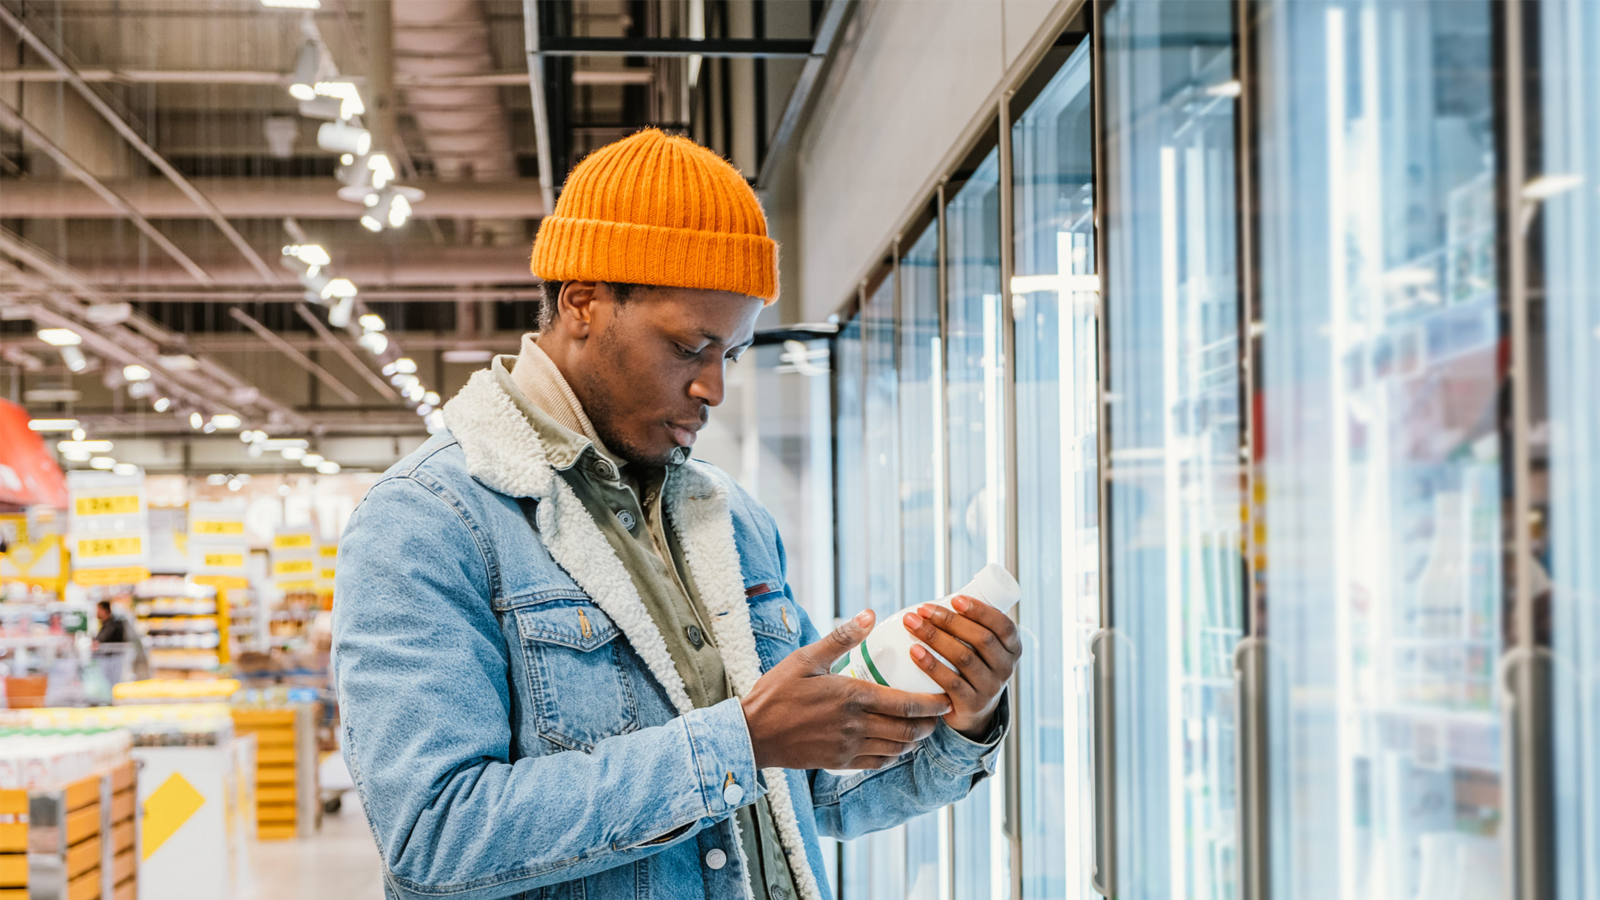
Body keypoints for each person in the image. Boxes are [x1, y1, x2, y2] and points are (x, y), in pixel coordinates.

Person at [333, 129, 1022, 900]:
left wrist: (959, 719)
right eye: (689, 347)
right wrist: (739, 741)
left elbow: (809, 797)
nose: (713, 390)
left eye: (728, 354)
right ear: (584, 302)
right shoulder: (429, 523)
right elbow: (435, 836)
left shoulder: (730, 521)